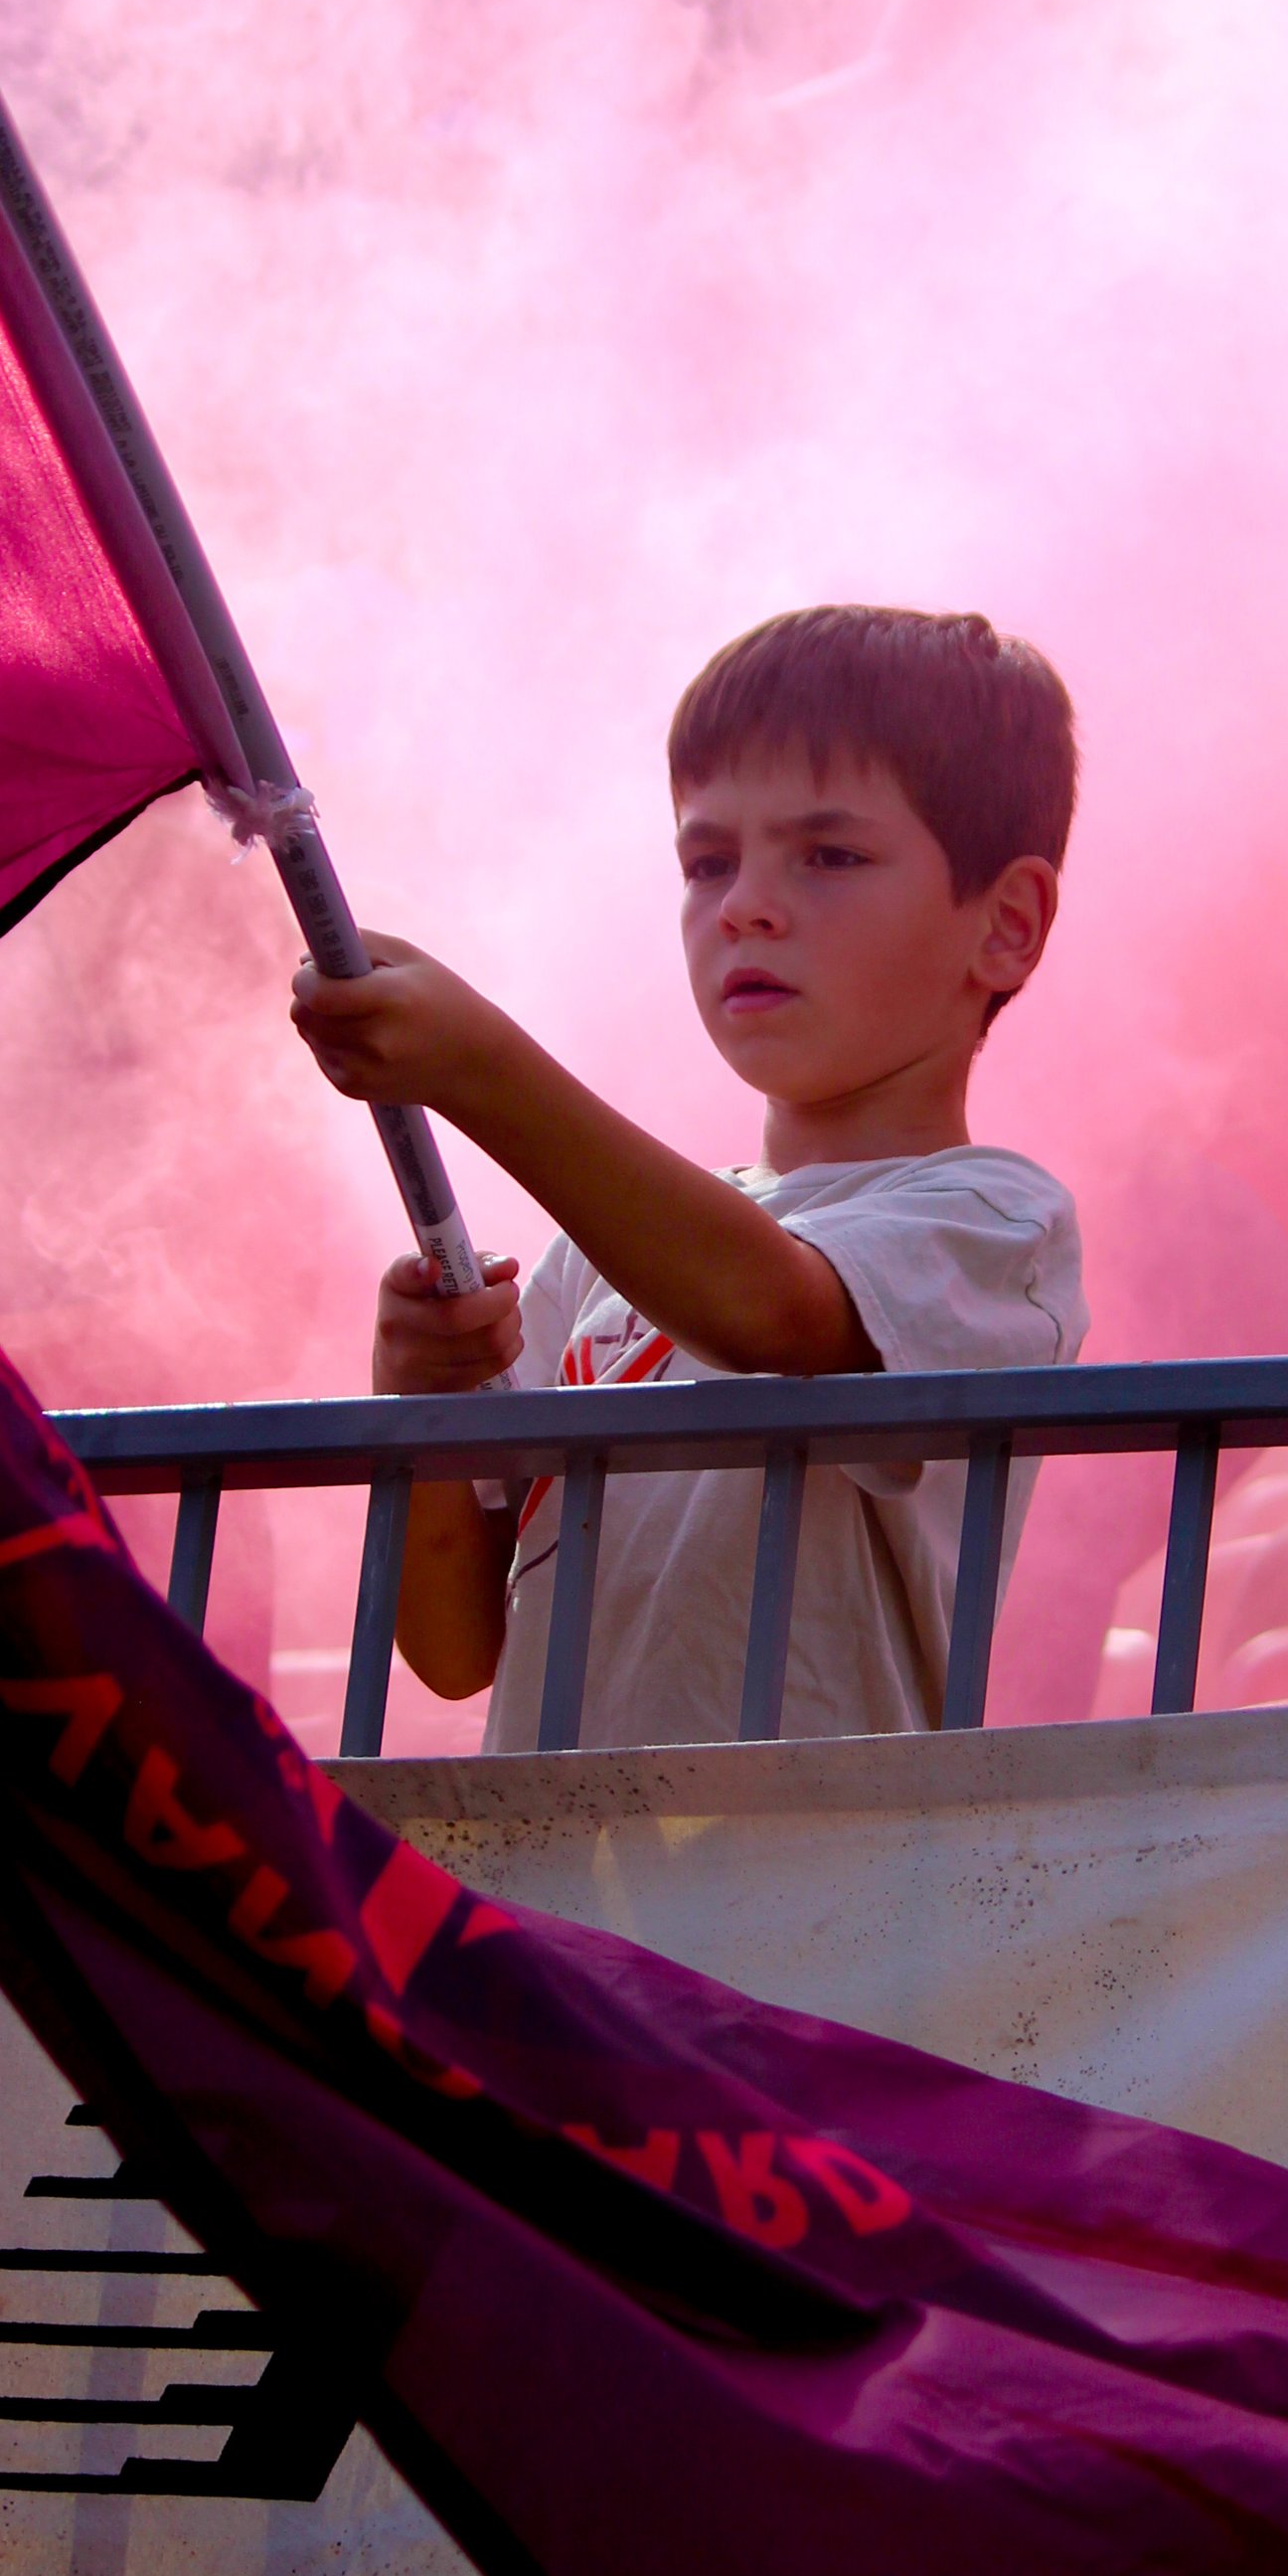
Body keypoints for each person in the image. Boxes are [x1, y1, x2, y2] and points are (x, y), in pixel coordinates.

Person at [289, 604, 1088, 1746]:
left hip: (805, 1898)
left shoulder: (1000, 1223)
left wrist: (480, 1069)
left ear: (1005, 925)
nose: (744, 905)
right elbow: (457, 1648)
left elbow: (771, 1308)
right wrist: (412, 1404)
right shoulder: (598, 1263)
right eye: (708, 861)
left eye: (829, 855)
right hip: (566, 1894)